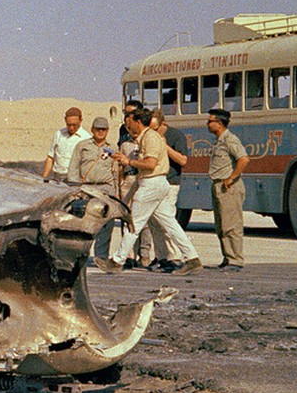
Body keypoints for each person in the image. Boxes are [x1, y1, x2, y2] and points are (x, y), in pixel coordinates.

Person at [96, 107, 201, 274]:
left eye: (130, 122)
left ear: (138, 122)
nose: (128, 126)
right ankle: (192, 258)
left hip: (151, 183)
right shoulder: (148, 137)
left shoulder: (150, 138)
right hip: (155, 183)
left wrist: (129, 162)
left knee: (134, 223)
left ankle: (117, 261)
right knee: (170, 223)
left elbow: (150, 164)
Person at [139, 110, 192, 271]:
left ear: (164, 125)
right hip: (154, 183)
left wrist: (164, 146)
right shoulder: (148, 137)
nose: (152, 132)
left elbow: (183, 160)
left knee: (168, 221)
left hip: (170, 183)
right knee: (154, 223)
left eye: (155, 129)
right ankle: (162, 257)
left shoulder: (176, 136)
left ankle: (174, 257)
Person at [206, 107, 250, 270]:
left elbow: (243, 159)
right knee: (222, 223)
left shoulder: (230, 140)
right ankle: (227, 257)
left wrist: (231, 178)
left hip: (228, 186)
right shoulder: (219, 141)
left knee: (231, 224)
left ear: (219, 123)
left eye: (210, 121)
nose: (208, 124)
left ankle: (235, 260)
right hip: (218, 185)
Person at [70, 116, 120, 259]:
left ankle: (101, 257)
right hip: (87, 188)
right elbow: (73, 167)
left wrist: (116, 193)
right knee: (84, 222)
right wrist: (75, 188)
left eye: (103, 129)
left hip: (106, 188)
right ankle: (80, 255)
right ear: (92, 129)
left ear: (107, 131)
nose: (100, 132)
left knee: (106, 223)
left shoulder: (113, 148)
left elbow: (116, 171)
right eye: (98, 129)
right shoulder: (82, 146)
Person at [41, 107, 85, 181]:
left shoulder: (85, 138)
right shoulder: (59, 134)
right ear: (65, 120)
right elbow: (50, 158)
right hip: (56, 177)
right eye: (69, 124)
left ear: (80, 121)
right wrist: (43, 178)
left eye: (74, 125)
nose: (71, 128)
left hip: (74, 179)